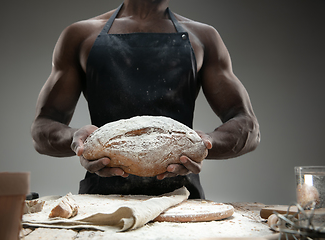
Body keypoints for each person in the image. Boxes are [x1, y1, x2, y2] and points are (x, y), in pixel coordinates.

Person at [31, 0, 260, 199]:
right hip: (102, 202)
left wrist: (205, 143)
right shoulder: (81, 36)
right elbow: (43, 127)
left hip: (181, 201)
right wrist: (77, 140)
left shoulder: (202, 38)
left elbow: (248, 126)